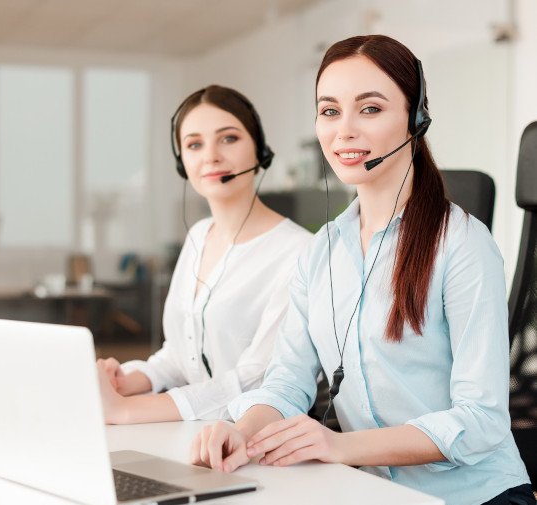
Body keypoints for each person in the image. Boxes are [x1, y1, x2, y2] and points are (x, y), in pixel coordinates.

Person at [190, 36, 534, 505]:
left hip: (473, 496)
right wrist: (241, 430)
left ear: (416, 119)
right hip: (369, 491)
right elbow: (288, 381)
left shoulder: (462, 244)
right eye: (330, 111)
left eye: (369, 109)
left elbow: (481, 420)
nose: (343, 131)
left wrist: (339, 445)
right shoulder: (320, 253)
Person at [96, 85, 311, 425]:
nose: (211, 156)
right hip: (188, 433)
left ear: (260, 151)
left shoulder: (299, 252)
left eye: (228, 139)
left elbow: (257, 380)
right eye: (194, 144)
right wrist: (126, 380)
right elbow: (181, 357)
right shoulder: (198, 235)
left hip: (252, 442)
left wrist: (127, 410)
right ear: (183, 163)